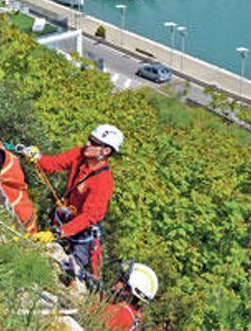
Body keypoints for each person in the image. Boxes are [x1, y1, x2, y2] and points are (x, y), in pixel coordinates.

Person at [30, 124, 124, 287]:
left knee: (73, 273)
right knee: (48, 254)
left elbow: (89, 217)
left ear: (106, 151)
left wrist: (59, 232)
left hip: (83, 232)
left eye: (94, 142)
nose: (87, 143)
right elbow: (53, 164)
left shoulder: (102, 183)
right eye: (89, 139)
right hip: (67, 217)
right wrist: (37, 157)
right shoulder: (80, 155)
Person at [102, 261, 158, 331]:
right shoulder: (134, 316)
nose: (114, 286)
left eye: (121, 280)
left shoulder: (119, 313)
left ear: (129, 289)